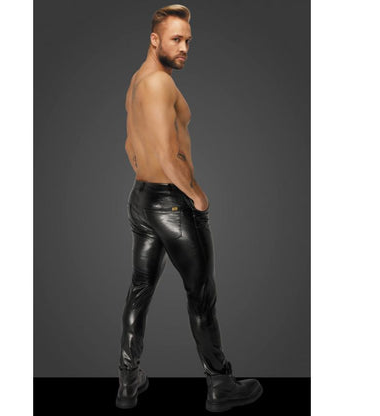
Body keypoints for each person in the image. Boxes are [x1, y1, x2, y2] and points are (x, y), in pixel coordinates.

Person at [116, 4, 263, 412]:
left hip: (141, 200)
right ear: (155, 40)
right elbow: (167, 156)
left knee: (140, 290)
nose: (184, 48)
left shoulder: (136, 80)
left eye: (188, 41)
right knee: (201, 295)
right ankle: (221, 384)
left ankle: (128, 381)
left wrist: (148, 179)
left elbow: (130, 145)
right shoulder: (160, 84)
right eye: (176, 39)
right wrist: (196, 195)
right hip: (173, 204)